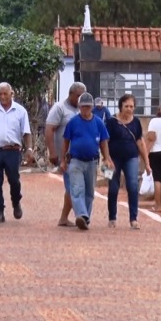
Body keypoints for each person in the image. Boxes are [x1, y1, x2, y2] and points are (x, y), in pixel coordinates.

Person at [0, 82, 34, 223]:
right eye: (0, 94)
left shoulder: (20, 111)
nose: (3, 97)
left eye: (5, 94)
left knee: (14, 181)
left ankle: (16, 202)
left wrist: (29, 149)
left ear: (11, 93)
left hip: (13, 152)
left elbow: (26, 132)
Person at [61, 92, 113, 230]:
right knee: (77, 189)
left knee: (89, 192)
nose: (85, 110)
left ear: (92, 107)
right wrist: (63, 159)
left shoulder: (98, 123)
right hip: (76, 160)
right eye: (83, 107)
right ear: (79, 107)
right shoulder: (73, 122)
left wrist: (107, 158)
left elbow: (104, 142)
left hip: (92, 162)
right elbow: (66, 140)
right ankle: (82, 215)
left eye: (88, 107)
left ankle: (85, 218)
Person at [104, 94, 151, 230]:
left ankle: (133, 219)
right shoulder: (112, 122)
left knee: (133, 186)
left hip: (131, 157)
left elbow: (140, 143)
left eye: (131, 106)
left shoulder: (136, 122)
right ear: (121, 106)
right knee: (113, 188)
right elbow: (105, 142)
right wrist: (106, 158)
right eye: (126, 106)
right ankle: (112, 217)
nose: (129, 109)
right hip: (113, 159)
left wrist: (147, 163)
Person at [45, 82, 86, 227]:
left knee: (75, 187)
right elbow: (49, 129)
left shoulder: (83, 109)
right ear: (71, 94)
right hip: (67, 157)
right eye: (78, 96)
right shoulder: (59, 108)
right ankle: (81, 215)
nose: (81, 99)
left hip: (82, 156)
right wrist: (53, 152)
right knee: (73, 187)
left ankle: (64, 218)